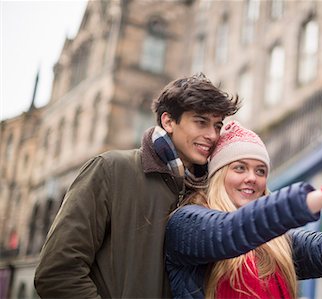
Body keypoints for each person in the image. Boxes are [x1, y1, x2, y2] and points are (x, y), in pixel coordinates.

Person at [34, 73, 240, 299]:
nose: (212, 135)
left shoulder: (212, 192)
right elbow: (57, 272)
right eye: (201, 122)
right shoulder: (110, 170)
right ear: (168, 121)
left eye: (217, 125)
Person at [165, 121, 322, 299]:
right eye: (239, 168)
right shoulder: (186, 222)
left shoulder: (277, 242)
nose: (252, 178)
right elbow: (231, 230)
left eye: (260, 171)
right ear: (218, 174)